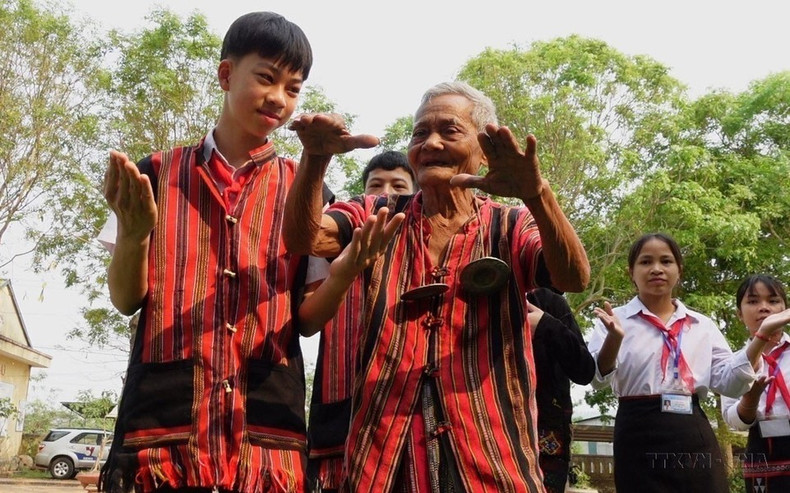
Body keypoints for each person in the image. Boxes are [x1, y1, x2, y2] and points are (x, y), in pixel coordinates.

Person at [285, 81, 590, 491]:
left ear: (484, 151)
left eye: (449, 131)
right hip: (382, 458)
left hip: (491, 457)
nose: (430, 143)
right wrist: (315, 158)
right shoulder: (378, 212)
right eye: (419, 133)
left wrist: (537, 195)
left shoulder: (511, 224)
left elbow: (572, 277)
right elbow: (305, 238)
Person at [97, 12, 348, 493]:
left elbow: (310, 320)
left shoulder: (307, 188)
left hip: (267, 433)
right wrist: (134, 233)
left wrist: (352, 265)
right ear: (226, 74)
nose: (279, 98)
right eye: (267, 78)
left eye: (293, 88)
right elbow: (126, 299)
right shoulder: (152, 176)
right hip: (164, 432)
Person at [588, 233, 787, 493]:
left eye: (666, 261)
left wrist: (761, 336)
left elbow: (730, 383)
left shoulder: (701, 325)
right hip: (637, 431)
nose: (657, 269)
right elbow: (596, 379)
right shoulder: (614, 320)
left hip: (691, 429)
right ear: (631, 272)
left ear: (679, 270)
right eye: (646, 262)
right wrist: (614, 338)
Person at [305, 151, 416, 492]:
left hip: (409, 406)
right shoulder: (340, 232)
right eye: (376, 185)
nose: (386, 194)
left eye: (399, 186)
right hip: (341, 416)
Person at [721, 274, 790, 491]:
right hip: (761, 450)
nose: (764, 308)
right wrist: (749, 402)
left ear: (786, 310)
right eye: (753, 301)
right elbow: (734, 421)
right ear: (739, 315)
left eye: (773, 301)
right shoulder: (734, 363)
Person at [526, 287, 595, 493]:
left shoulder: (549, 302)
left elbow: (584, 371)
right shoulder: (477, 296)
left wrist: (547, 325)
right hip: (488, 429)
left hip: (546, 434)